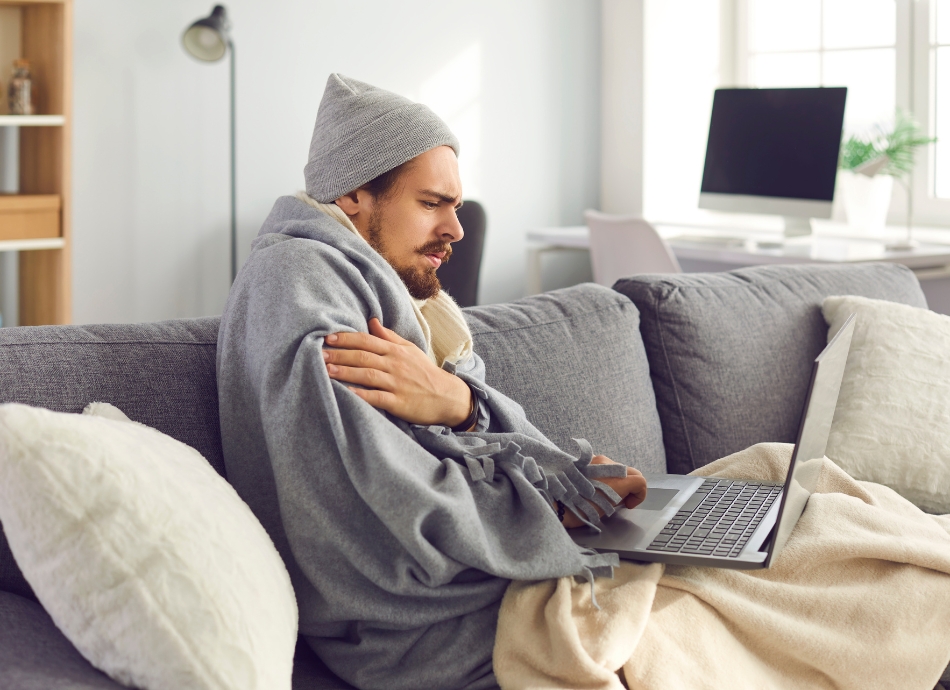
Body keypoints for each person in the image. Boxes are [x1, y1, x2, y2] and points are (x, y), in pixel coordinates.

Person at [217, 73, 647, 690]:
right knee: (748, 591)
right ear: (354, 196)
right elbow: (384, 507)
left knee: (773, 511)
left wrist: (467, 406)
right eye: (431, 204)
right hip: (428, 630)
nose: (457, 229)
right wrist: (553, 506)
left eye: (455, 205)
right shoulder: (298, 284)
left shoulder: (392, 292)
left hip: (486, 585)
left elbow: (451, 440)